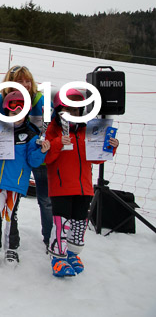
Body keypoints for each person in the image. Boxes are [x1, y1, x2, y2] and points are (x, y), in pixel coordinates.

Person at [0, 65, 52, 246]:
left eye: (27, 80)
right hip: (4, 149)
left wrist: (47, 148)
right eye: (19, 81)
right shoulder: (1, 100)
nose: (24, 84)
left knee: (45, 197)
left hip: (34, 149)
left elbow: (53, 126)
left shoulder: (40, 100)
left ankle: (49, 237)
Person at [44, 89, 119, 277]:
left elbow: (97, 159)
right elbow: (47, 158)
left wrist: (110, 147)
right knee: (62, 224)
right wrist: (58, 142)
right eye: (68, 110)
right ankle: (57, 257)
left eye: (77, 110)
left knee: (79, 223)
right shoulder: (53, 130)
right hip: (61, 187)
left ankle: (72, 254)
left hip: (84, 187)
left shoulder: (87, 130)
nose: (73, 114)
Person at [0, 91, 49, 267]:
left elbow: (32, 160)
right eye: (13, 111)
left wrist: (42, 151)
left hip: (17, 182)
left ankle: (12, 248)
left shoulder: (31, 134)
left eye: (21, 110)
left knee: (11, 215)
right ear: (6, 112)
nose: (17, 114)